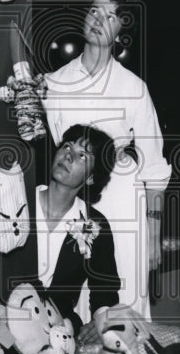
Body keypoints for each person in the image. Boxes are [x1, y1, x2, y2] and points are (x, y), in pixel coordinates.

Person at [41, 0, 171, 319]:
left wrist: (153, 238)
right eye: (94, 12)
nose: (99, 20)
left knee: (125, 299)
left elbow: (154, 170)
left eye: (110, 16)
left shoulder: (134, 88)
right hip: (76, 204)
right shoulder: (54, 84)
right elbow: (56, 150)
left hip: (123, 204)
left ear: (119, 34)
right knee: (74, 306)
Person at [35, 123, 121, 334]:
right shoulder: (19, 200)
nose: (68, 156)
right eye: (66, 146)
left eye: (82, 155)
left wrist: (100, 321)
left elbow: (104, 289)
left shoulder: (96, 225)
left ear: (91, 177)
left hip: (60, 330)